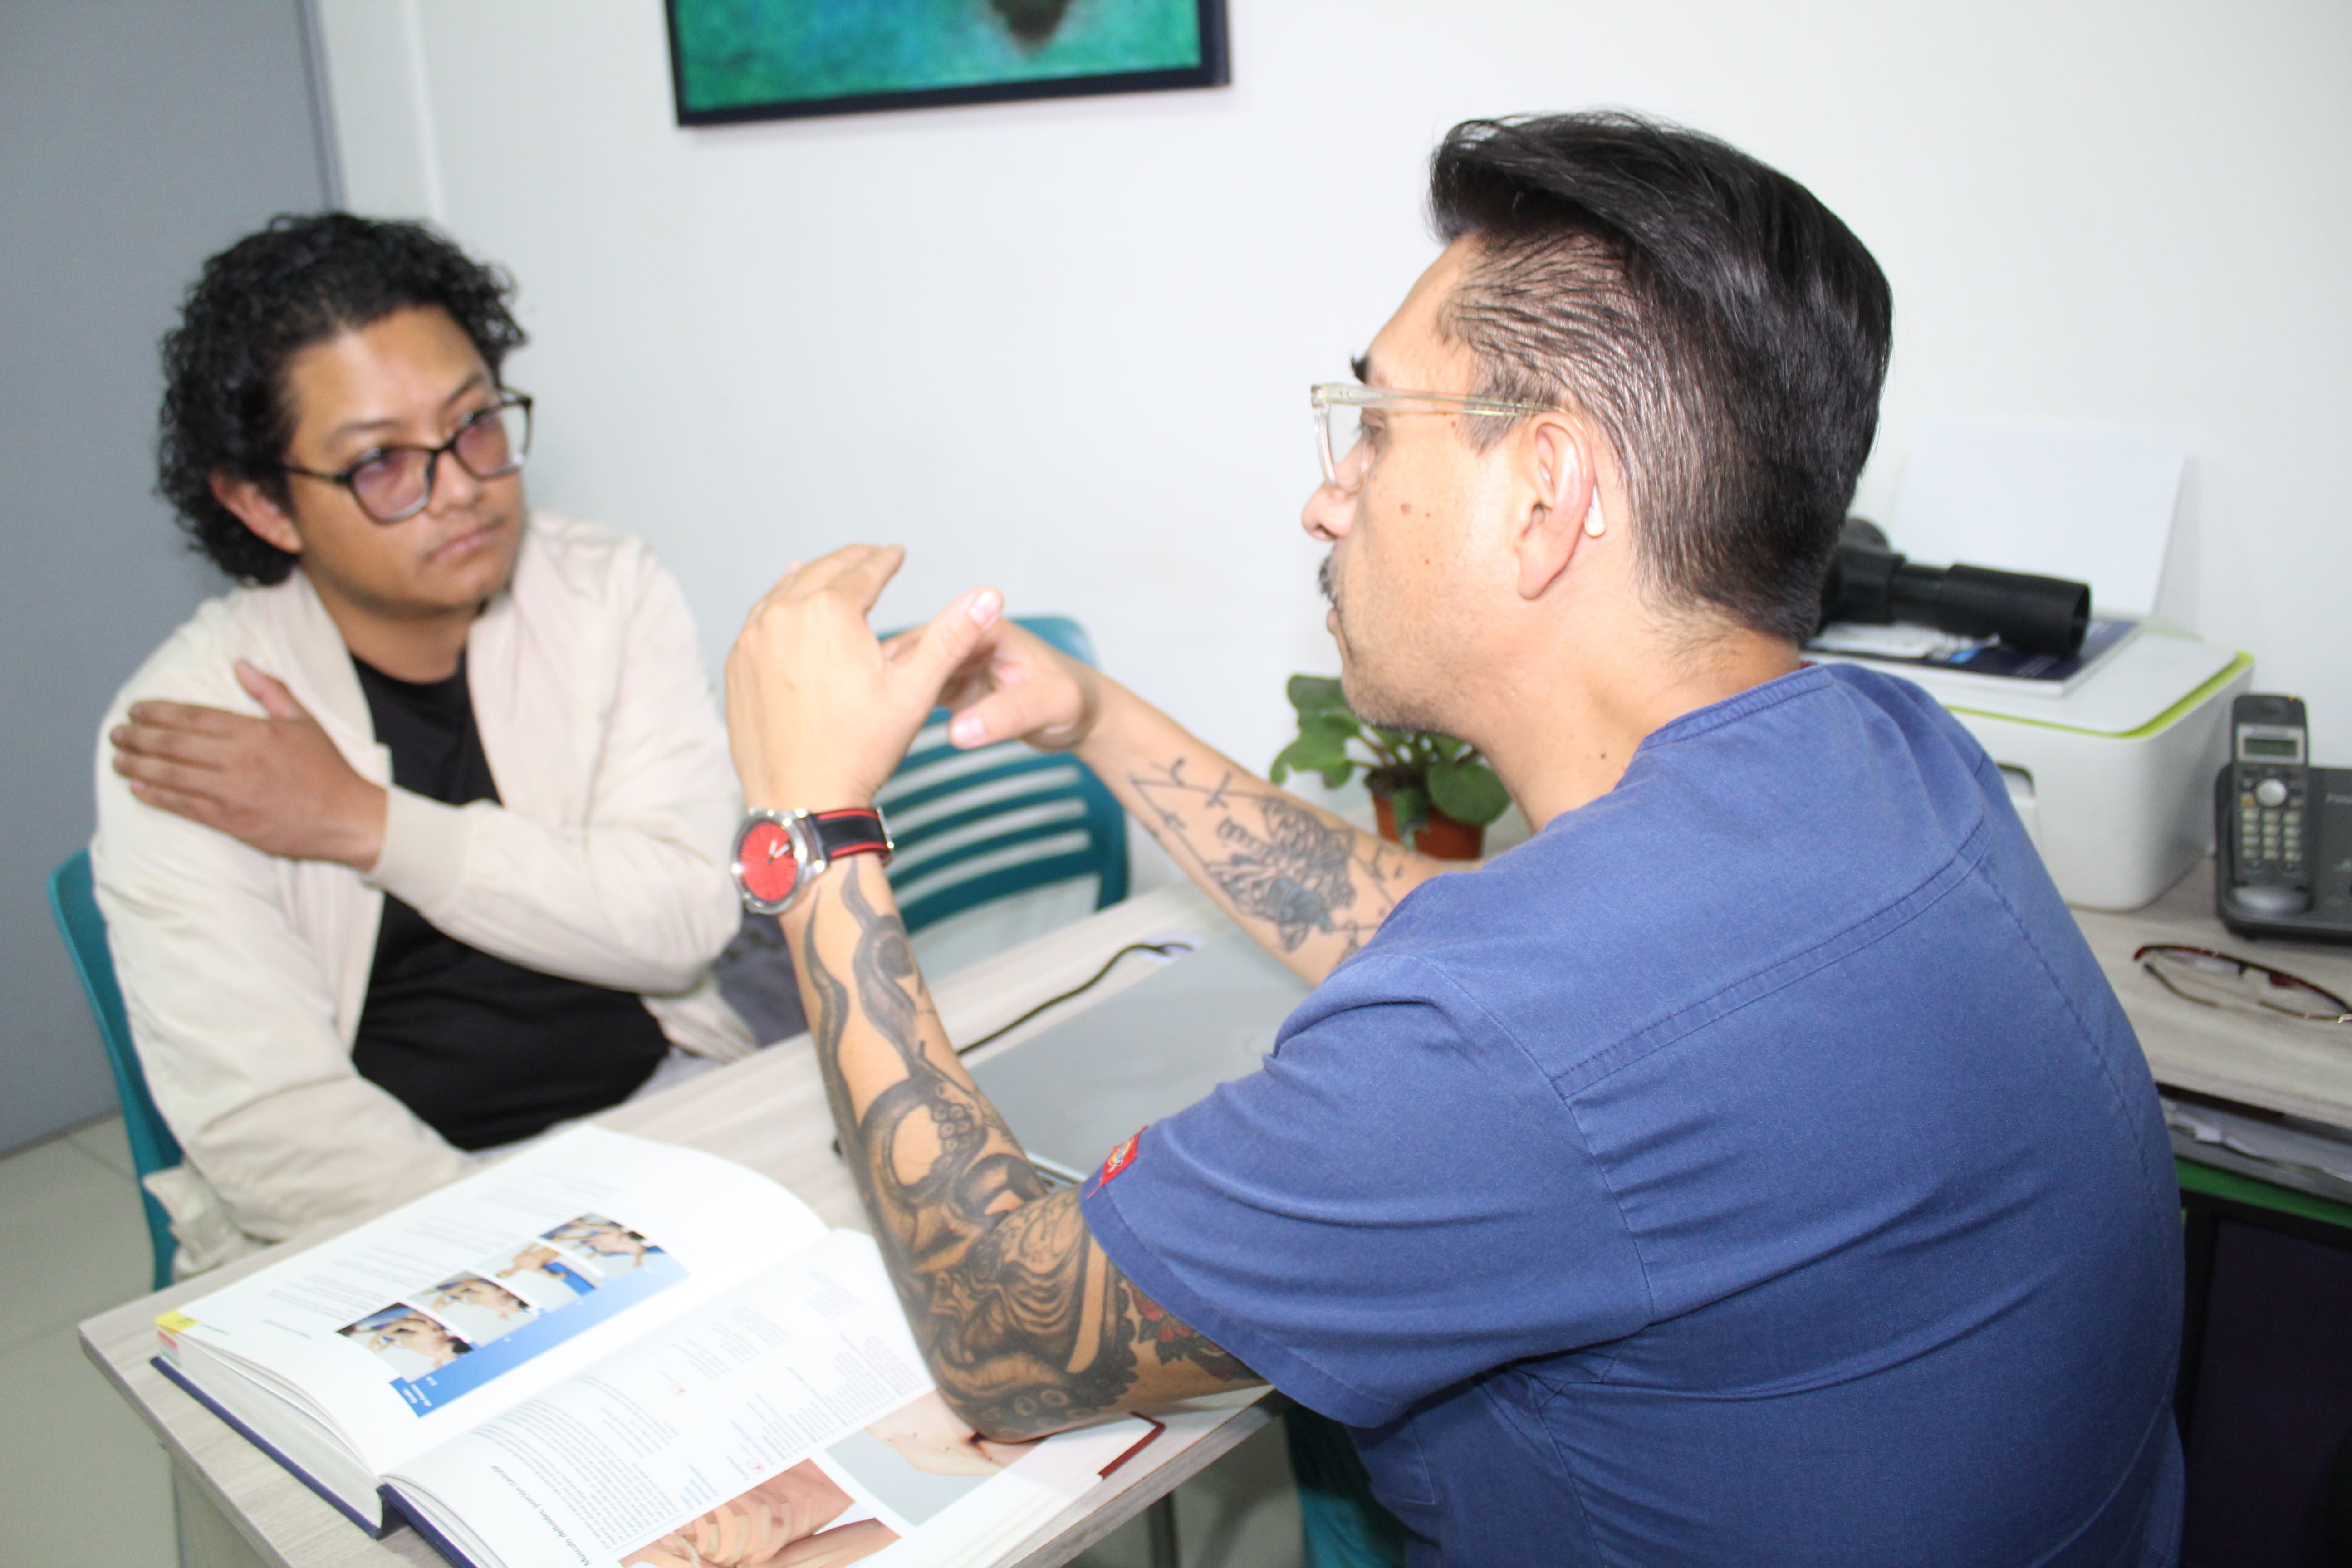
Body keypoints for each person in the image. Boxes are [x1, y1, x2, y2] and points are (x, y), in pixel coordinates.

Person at [720, 113, 2184, 1566]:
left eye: (1371, 427)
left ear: (1544, 492)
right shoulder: (1889, 749)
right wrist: (1100, 718)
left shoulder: (1508, 1039)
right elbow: (1459, 946)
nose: (1325, 499)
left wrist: (811, 826)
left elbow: (1005, 1326)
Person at [93, 215, 753, 1275]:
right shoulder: (188, 728)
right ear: (264, 504)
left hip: (661, 1113)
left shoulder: (606, 591)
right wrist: (543, 1263)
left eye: (475, 423)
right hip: (383, 1224)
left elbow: (682, 920)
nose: (460, 487)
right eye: (380, 463)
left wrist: (368, 824)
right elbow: (274, 1126)